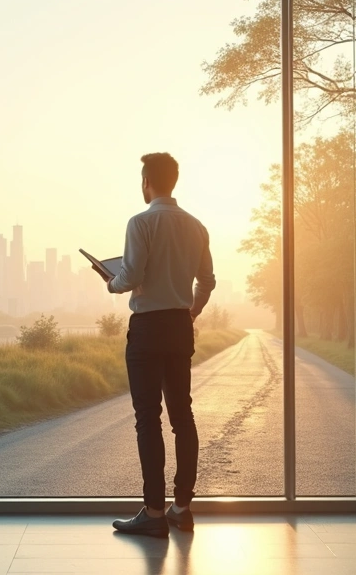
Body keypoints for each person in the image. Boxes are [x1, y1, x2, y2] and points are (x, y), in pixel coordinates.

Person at [100, 152, 216, 538]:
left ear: (146, 182)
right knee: (182, 416)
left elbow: (130, 276)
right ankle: (181, 508)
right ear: (174, 181)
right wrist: (192, 314)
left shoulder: (141, 222)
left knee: (148, 418)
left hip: (148, 328)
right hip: (180, 327)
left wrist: (110, 281)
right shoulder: (197, 226)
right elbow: (207, 281)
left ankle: (152, 512)